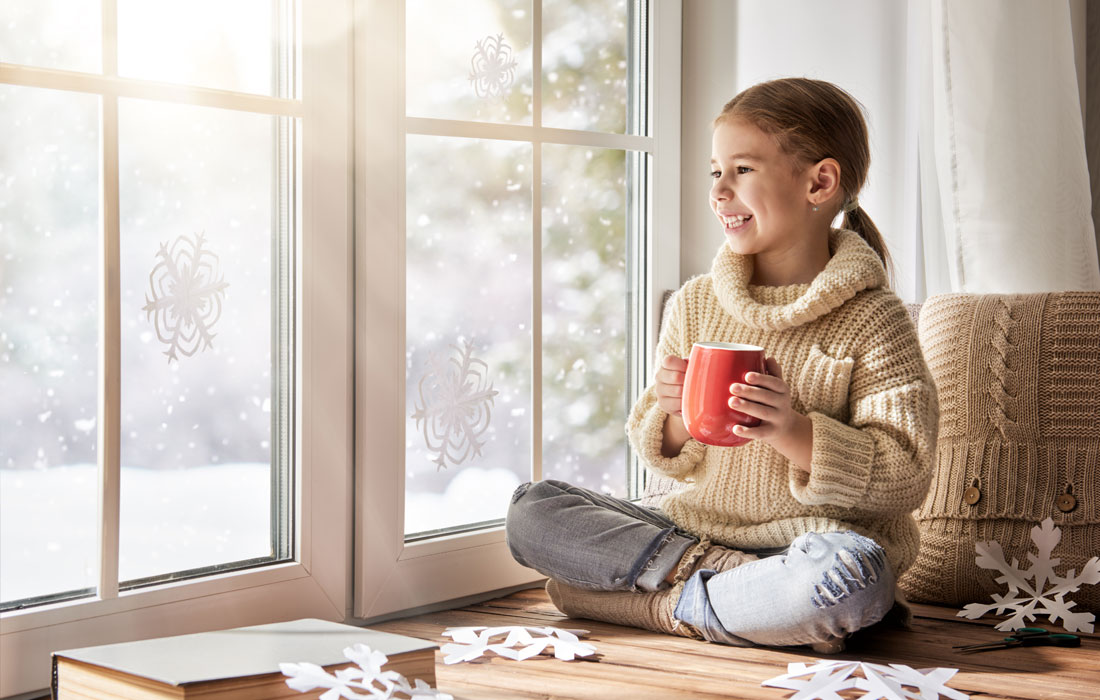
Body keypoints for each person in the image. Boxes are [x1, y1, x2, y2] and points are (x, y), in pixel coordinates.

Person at [505, 77, 938, 651]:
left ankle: (652, 604)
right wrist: (674, 416)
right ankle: (722, 596)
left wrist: (794, 431)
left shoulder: (875, 319)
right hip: (690, 532)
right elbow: (658, 451)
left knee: (851, 581)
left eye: (742, 170)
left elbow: (907, 472)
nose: (718, 191)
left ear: (820, 182)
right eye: (716, 172)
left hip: (812, 545)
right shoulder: (696, 303)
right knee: (533, 511)